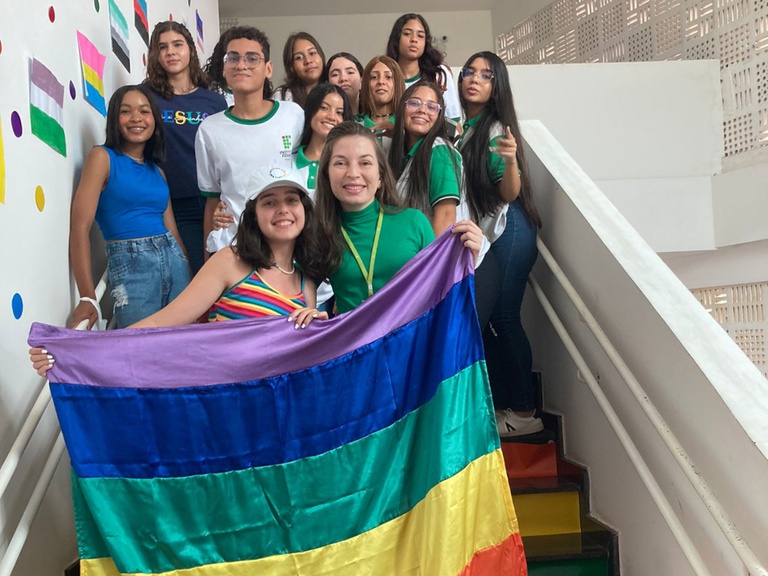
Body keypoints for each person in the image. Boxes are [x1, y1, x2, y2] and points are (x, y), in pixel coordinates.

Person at [30, 169, 329, 376]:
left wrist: (318, 332)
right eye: (269, 202)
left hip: (271, 418)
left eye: (292, 200)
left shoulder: (307, 285)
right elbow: (161, 323)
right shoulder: (230, 261)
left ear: (304, 209)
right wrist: (75, 352)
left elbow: (298, 362)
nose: (282, 209)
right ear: (254, 215)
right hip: (221, 403)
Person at [457, 51, 544, 438]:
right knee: (493, 319)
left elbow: (509, 193)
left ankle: (525, 413)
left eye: (485, 75)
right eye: (469, 72)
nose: (474, 79)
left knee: (503, 318)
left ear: (497, 87)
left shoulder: (494, 130)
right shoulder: (466, 128)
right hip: (495, 231)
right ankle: (508, 405)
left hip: (510, 229)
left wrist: (510, 163)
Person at [314, 121, 482, 314]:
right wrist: (309, 313)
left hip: (412, 332)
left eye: (365, 163)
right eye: (340, 163)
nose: (353, 173)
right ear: (326, 175)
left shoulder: (414, 222)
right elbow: (296, 289)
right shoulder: (319, 233)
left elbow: (442, 291)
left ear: (380, 176)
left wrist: (469, 258)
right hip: (351, 334)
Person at [69, 84, 190, 330]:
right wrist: (87, 296)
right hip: (132, 265)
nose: (136, 118)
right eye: (126, 111)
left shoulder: (158, 172)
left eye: (144, 111)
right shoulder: (102, 158)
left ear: (154, 120)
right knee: (136, 345)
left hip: (174, 260)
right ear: (115, 119)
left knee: (181, 342)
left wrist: (191, 277)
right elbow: (79, 228)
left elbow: (173, 232)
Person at [389, 81, 498, 328]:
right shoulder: (401, 156)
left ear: (439, 116)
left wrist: (424, 279)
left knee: (458, 350)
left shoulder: (438, 151)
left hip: (463, 269)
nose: (422, 110)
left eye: (432, 106)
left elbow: (445, 216)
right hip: (442, 271)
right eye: (414, 103)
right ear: (402, 108)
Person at [195, 26, 304, 255]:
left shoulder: (293, 115)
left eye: (252, 58)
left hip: (287, 245)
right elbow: (212, 201)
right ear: (224, 68)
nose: (241, 65)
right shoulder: (209, 130)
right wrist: (208, 261)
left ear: (268, 69)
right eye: (233, 58)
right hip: (234, 247)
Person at [144, 21, 227, 275]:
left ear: (190, 49)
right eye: (163, 47)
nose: (171, 52)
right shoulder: (145, 96)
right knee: (186, 274)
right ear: (155, 55)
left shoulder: (214, 101)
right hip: (168, 202)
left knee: (217, 271)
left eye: (177, 44)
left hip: (212, 200)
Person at [385, 14, 461, 124]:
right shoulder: (384, 78)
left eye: (420, 36)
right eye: (407, 34)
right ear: (396, 39)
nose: (414, 39)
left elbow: (454, 124)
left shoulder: (439, 75)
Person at [357, 55, 405, 152]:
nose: (381, 82)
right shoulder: (355, 128)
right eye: (374, 77)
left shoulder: (406, 125)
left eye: (388, 77)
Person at [275, 32, 326, 108]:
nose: (308, 61)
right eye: (299, 57)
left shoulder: (335, 91)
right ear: (291, 66)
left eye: (312, 53)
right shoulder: (283, 96)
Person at [322, 52, 364, 117]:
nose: (343, 78)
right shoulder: (324, 119)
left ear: (362, 81)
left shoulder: (373, 118)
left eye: (350, 72)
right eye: (335, 74)